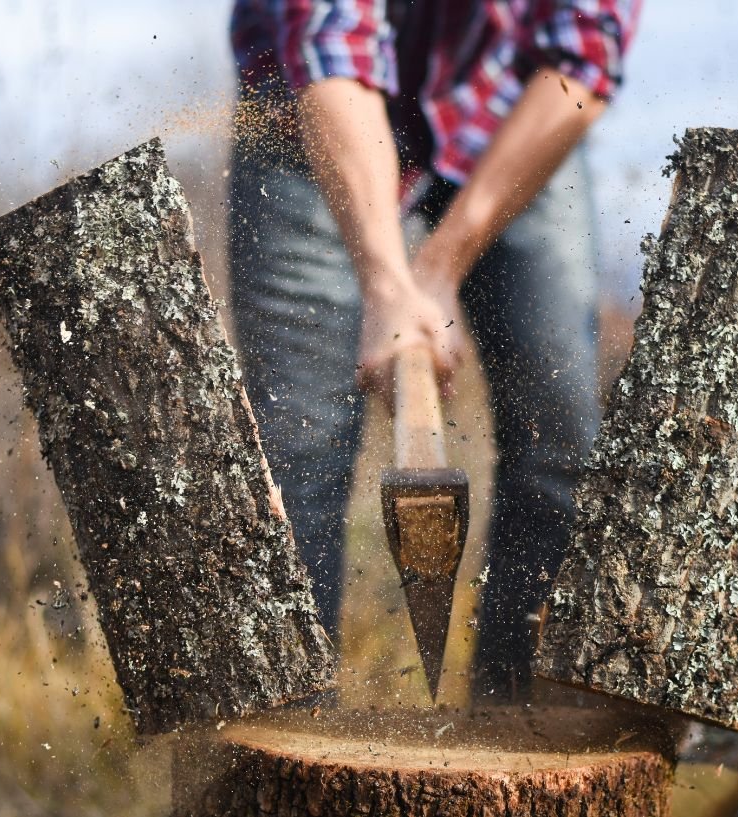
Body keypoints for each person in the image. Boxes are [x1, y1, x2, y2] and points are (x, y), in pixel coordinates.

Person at [227, 0, 640, 700]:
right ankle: (274, 749)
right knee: (290, 459)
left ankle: (522, 735)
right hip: (307, 109)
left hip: (509, 111)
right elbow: (332, 47)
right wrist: (389, 285)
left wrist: (442, 265)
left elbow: (584, 55)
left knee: (562, 434)